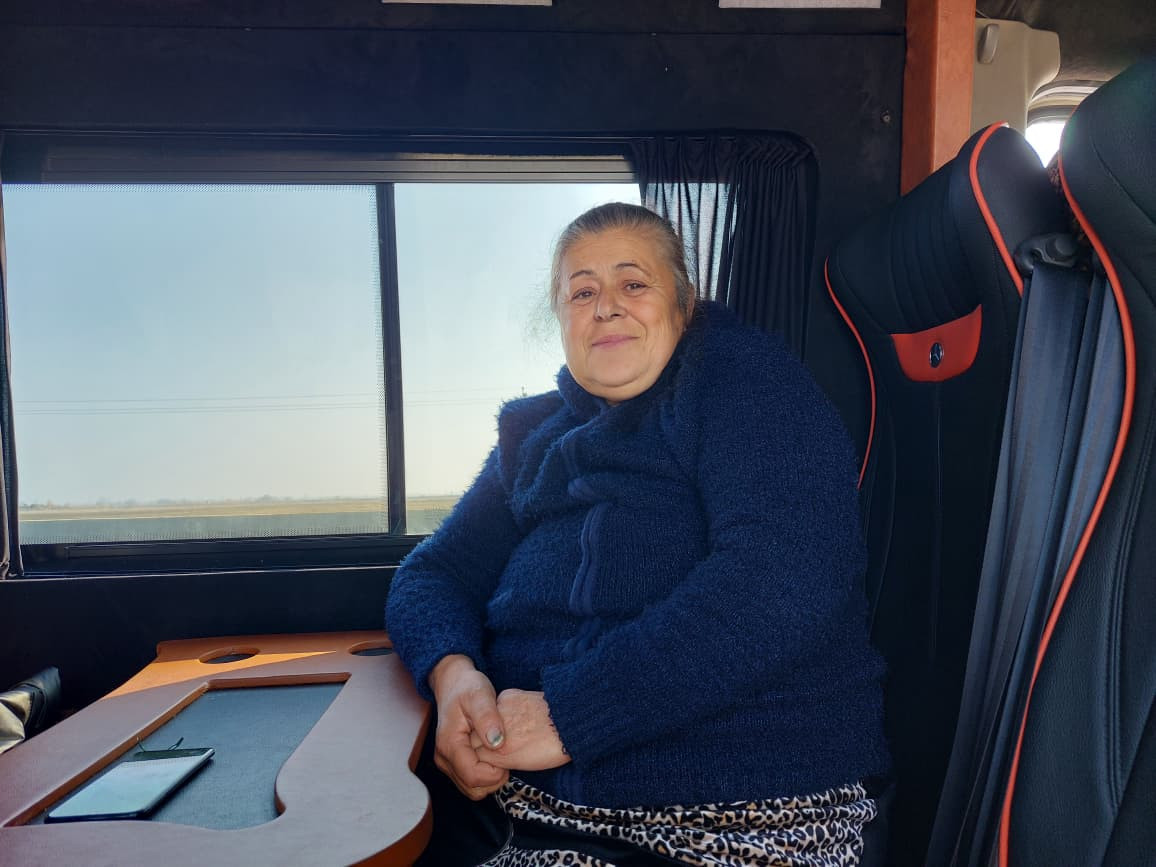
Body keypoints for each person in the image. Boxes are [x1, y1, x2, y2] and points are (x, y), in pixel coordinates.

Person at [385, 202, 890, 866]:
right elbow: (433, 574)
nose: (606, 307)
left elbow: (785, 575)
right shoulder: (531, 434)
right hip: (521, 806)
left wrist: (570, 714)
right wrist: (454, 678)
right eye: (582, 292)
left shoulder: (746, 382)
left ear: (683, 303)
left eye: (633, 283)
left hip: (742, 814)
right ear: (560, 318)